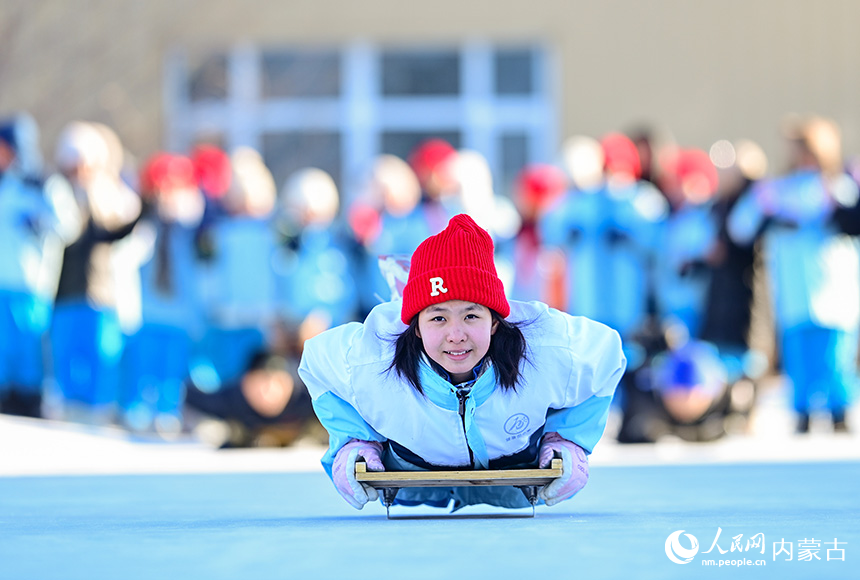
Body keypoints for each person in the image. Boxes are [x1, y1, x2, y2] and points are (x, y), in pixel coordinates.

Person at [299, 214, 626, 512]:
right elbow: (316, 364)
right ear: (415, 326)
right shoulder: (372, 359)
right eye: (438, 318)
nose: (456, 335)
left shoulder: (547, 347)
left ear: (495, 321)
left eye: (471, 315)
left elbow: (607, 355)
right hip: (410, 467)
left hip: (513, 470)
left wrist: (566, 438)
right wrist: (356, 439)